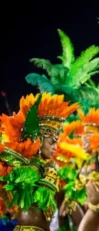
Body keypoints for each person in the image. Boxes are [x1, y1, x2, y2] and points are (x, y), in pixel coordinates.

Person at [0, 93, 79, 231]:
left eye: (56, 142)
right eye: (51, 142)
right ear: (39, 140)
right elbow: (37, 200)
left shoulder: (44, 167)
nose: (55, 146)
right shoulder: (26, 167)